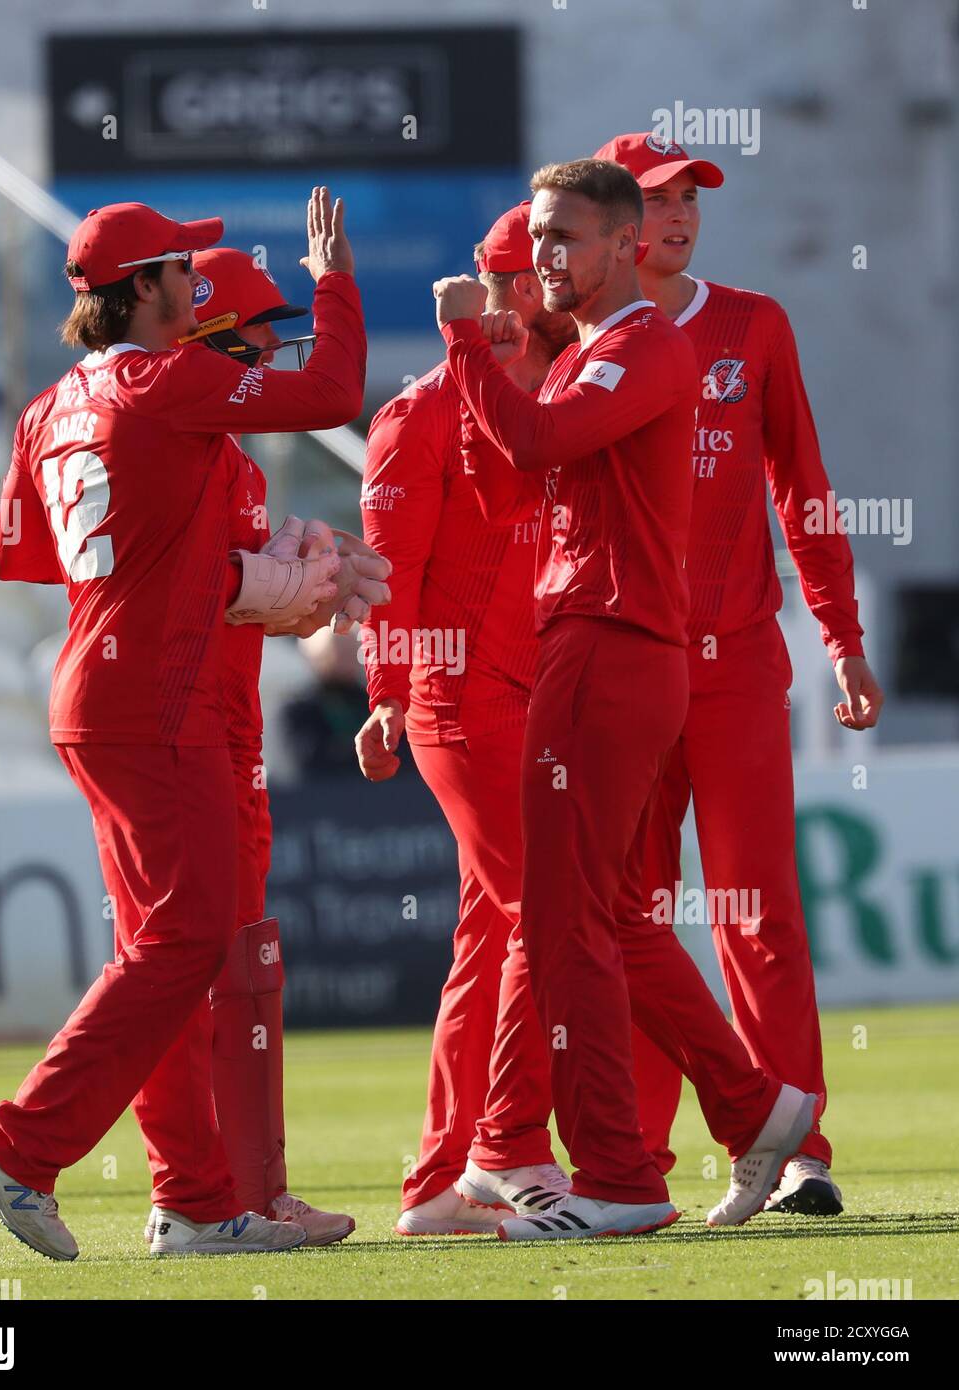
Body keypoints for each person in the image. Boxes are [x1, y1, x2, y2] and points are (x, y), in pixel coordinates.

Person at [0, 189, 368, 1259]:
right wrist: (334, 277)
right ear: (143, 289)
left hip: (93, 692)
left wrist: (166, 559)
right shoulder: (170, 378)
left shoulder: (51, 406)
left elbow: (14, 555)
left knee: (169, 946)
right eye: (183, 270)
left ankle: (193, 1199)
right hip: (157, 702)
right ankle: (20, 1144)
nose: (197, 283)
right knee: (187, 938)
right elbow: (333, 389)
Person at [433, 158, 816, 1241]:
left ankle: (620, 1172)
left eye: (564, 236)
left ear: (621, 248)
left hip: (609, 643)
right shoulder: (594, 351)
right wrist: (497, 356)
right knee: (590, 913)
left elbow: (540, 446)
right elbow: (515, 468)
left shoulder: (645, 342)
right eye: (538, 236)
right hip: (599, 641)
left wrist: (469, 345)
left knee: (565, 919)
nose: (544, 255)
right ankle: (742, 1107)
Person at [593, 131, 884, 1215]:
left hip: (734, 667)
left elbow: (803, 488)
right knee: (632, 911)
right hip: (624, 669)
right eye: (658, 199)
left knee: (756, 909)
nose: (678, 216)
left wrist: (842, 636)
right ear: (615, 222)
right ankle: (636, 1164)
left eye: (690, 199)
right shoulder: (577, 337)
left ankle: (799, 1144)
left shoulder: (752, 323)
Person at [151, 246, 388, 1245]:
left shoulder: (233, 461)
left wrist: (298, 593)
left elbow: (244, 606)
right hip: (173, 733)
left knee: (243, 963)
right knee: (176, 968)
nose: (273, 355)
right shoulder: (166, 443)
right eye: (260, 338)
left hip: (230, 733)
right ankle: (190, 1198)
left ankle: (252, 1192)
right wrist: (253, 583)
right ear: (210, 339)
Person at [354, 202, 578, 1236]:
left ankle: (438, 1183)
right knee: (544, 910)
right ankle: (507, 1150)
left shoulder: (562, 398)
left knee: (492, 937)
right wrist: (386, 693)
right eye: (509, 280)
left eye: (528, 278)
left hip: (534, 698)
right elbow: (388, 575)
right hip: (461, 701)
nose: (519, 299)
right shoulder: (417, 414)